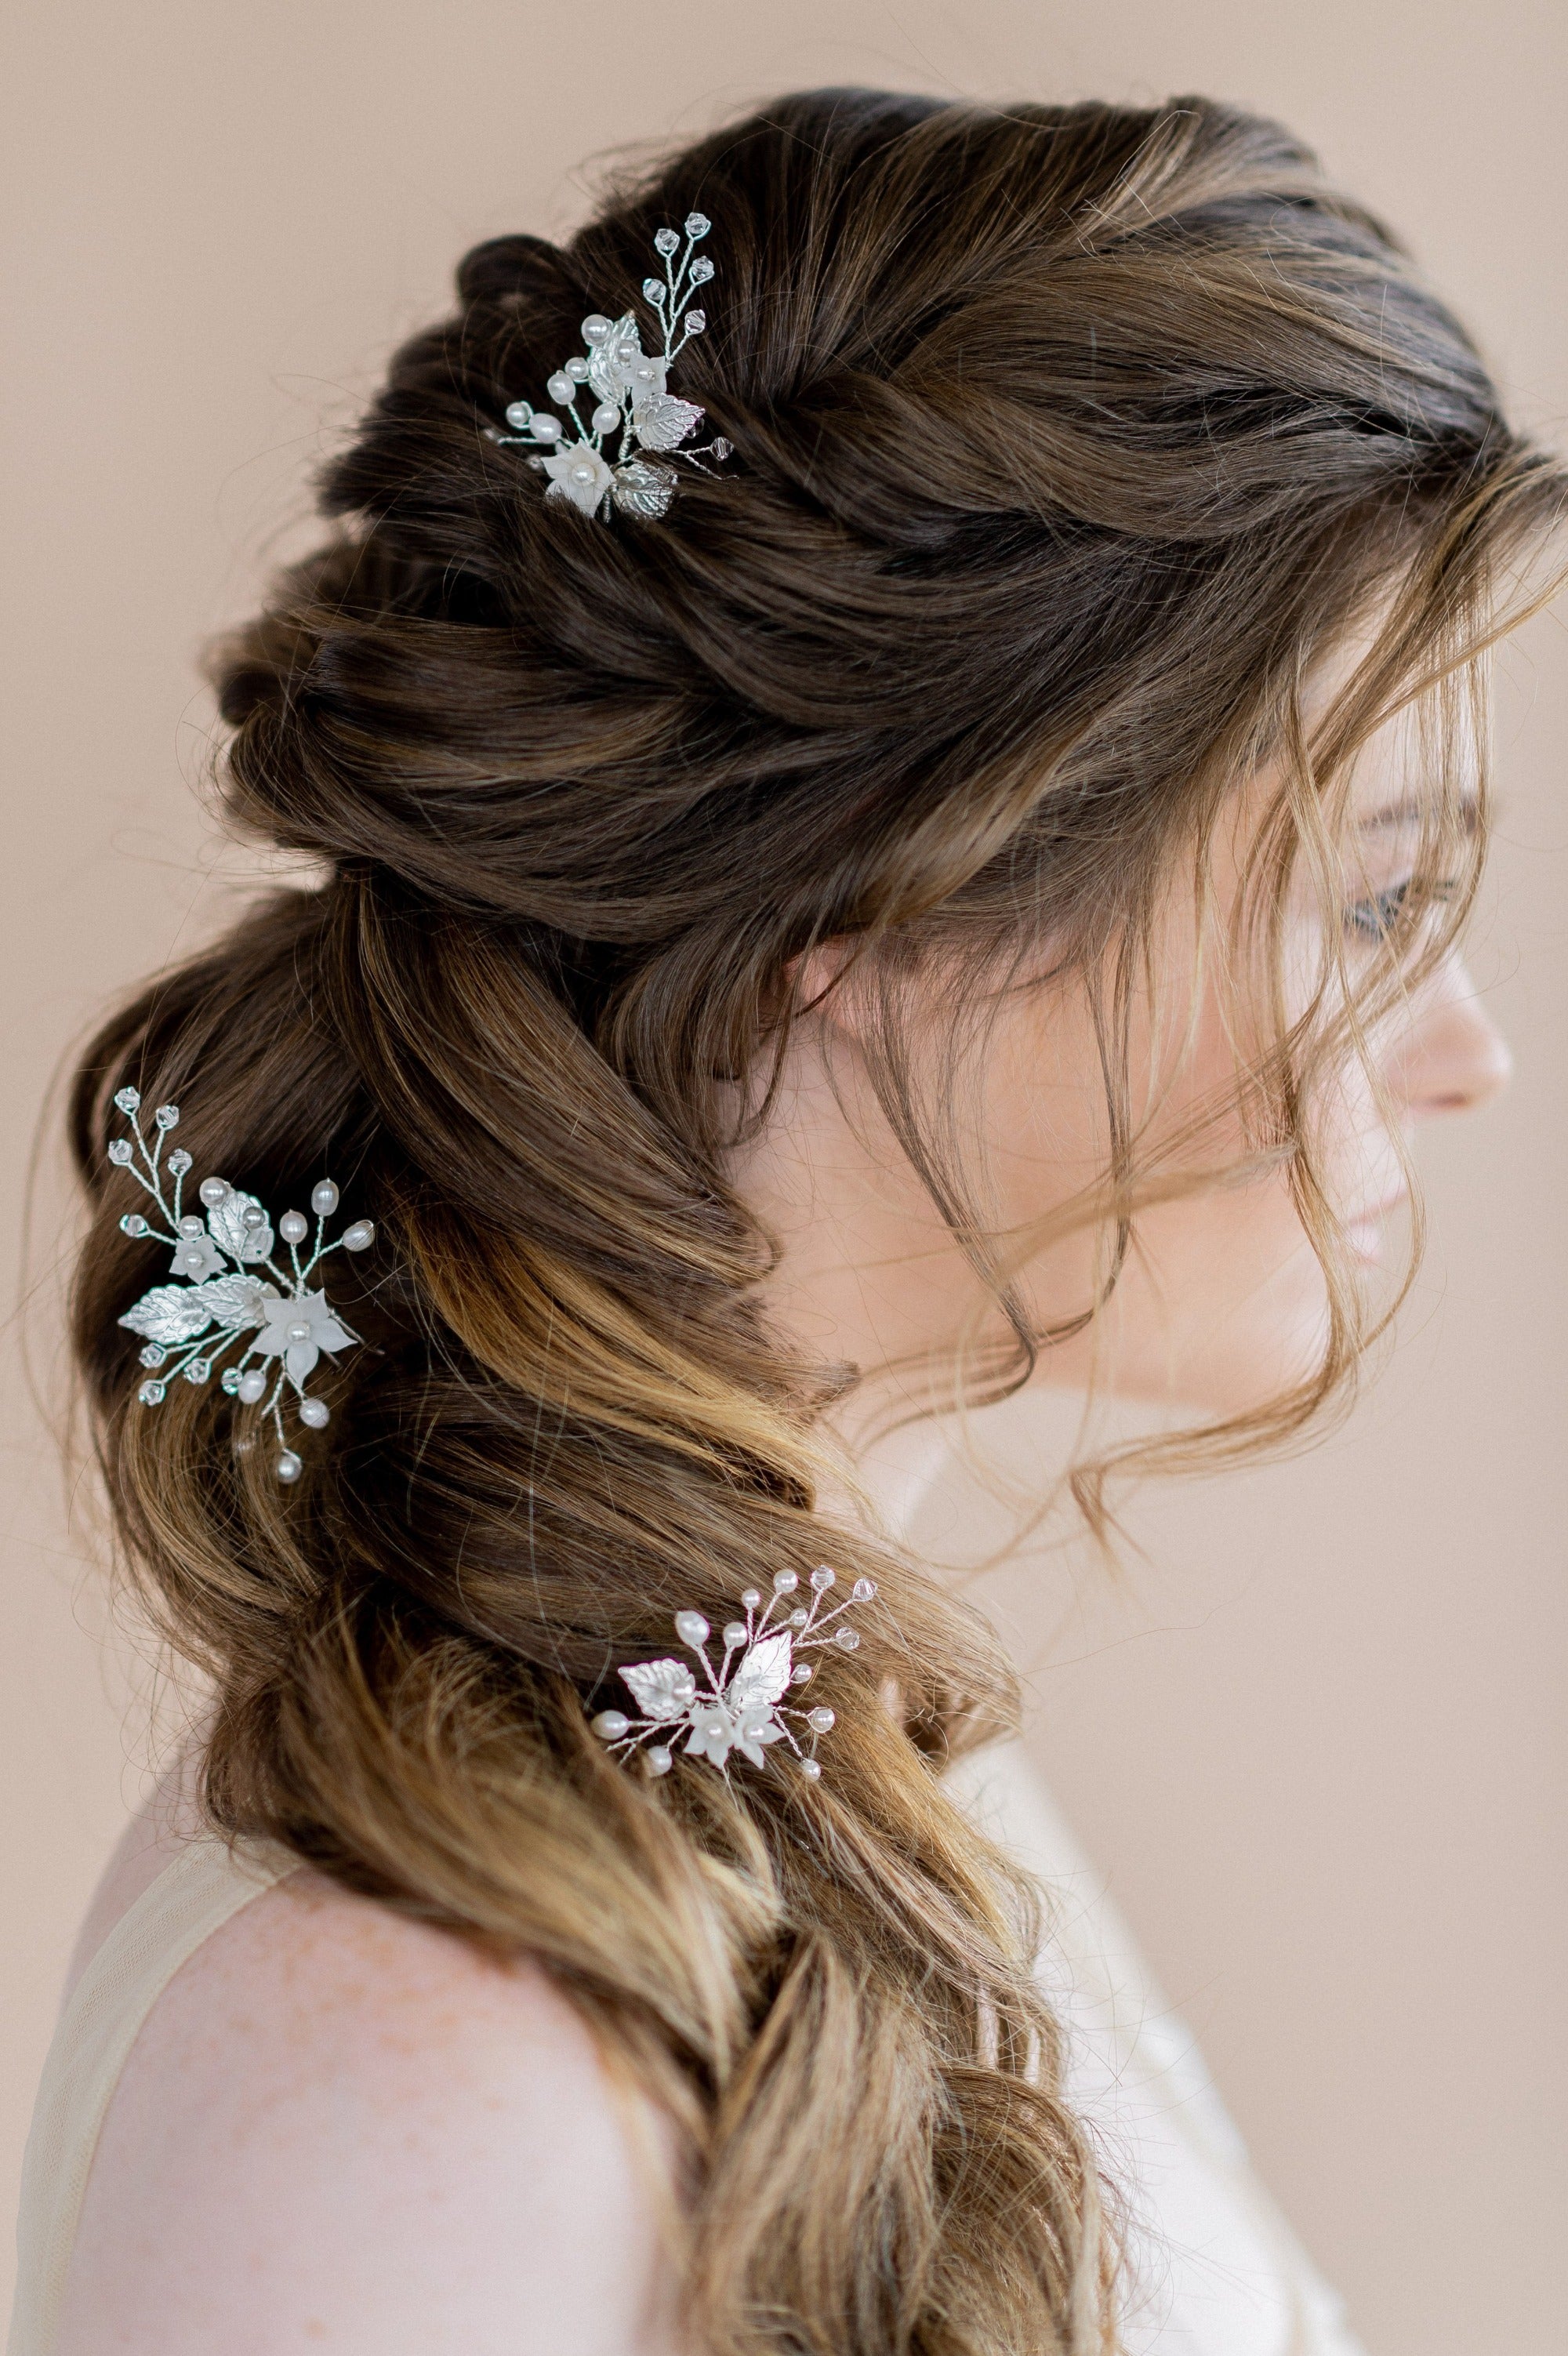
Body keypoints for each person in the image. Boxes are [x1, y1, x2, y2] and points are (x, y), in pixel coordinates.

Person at [12, 87, 1562, 2356]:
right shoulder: (432, 2077)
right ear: (878, 889)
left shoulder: (835, 1768)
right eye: (1372, 891)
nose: (1467, 1047)